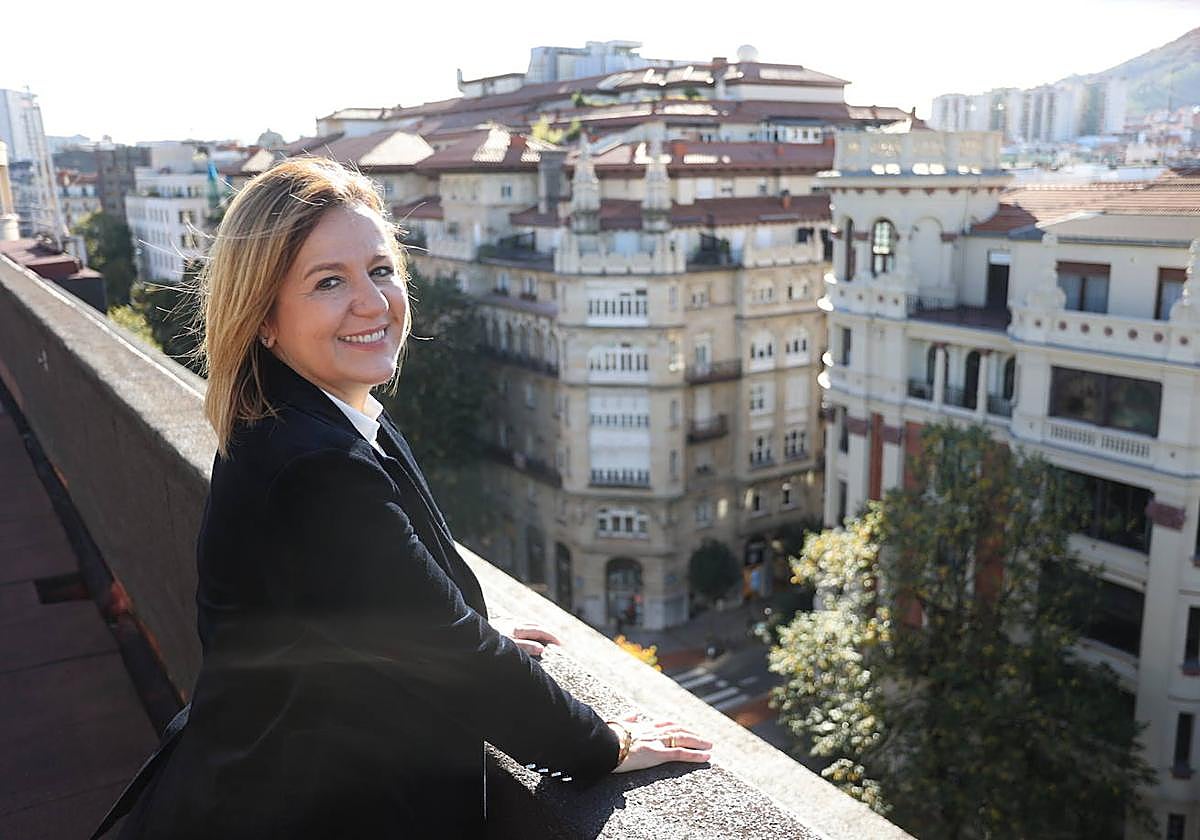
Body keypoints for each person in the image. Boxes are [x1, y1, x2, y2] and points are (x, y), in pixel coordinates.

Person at [94, 158, 711, 839]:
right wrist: (604, 745)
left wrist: (457, 626)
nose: (373, 302)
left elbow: (379, 605)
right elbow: (448, 651)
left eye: (381, 270)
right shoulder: (313, 463)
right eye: (329, 281)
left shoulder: (306, 414)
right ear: (264, 317)